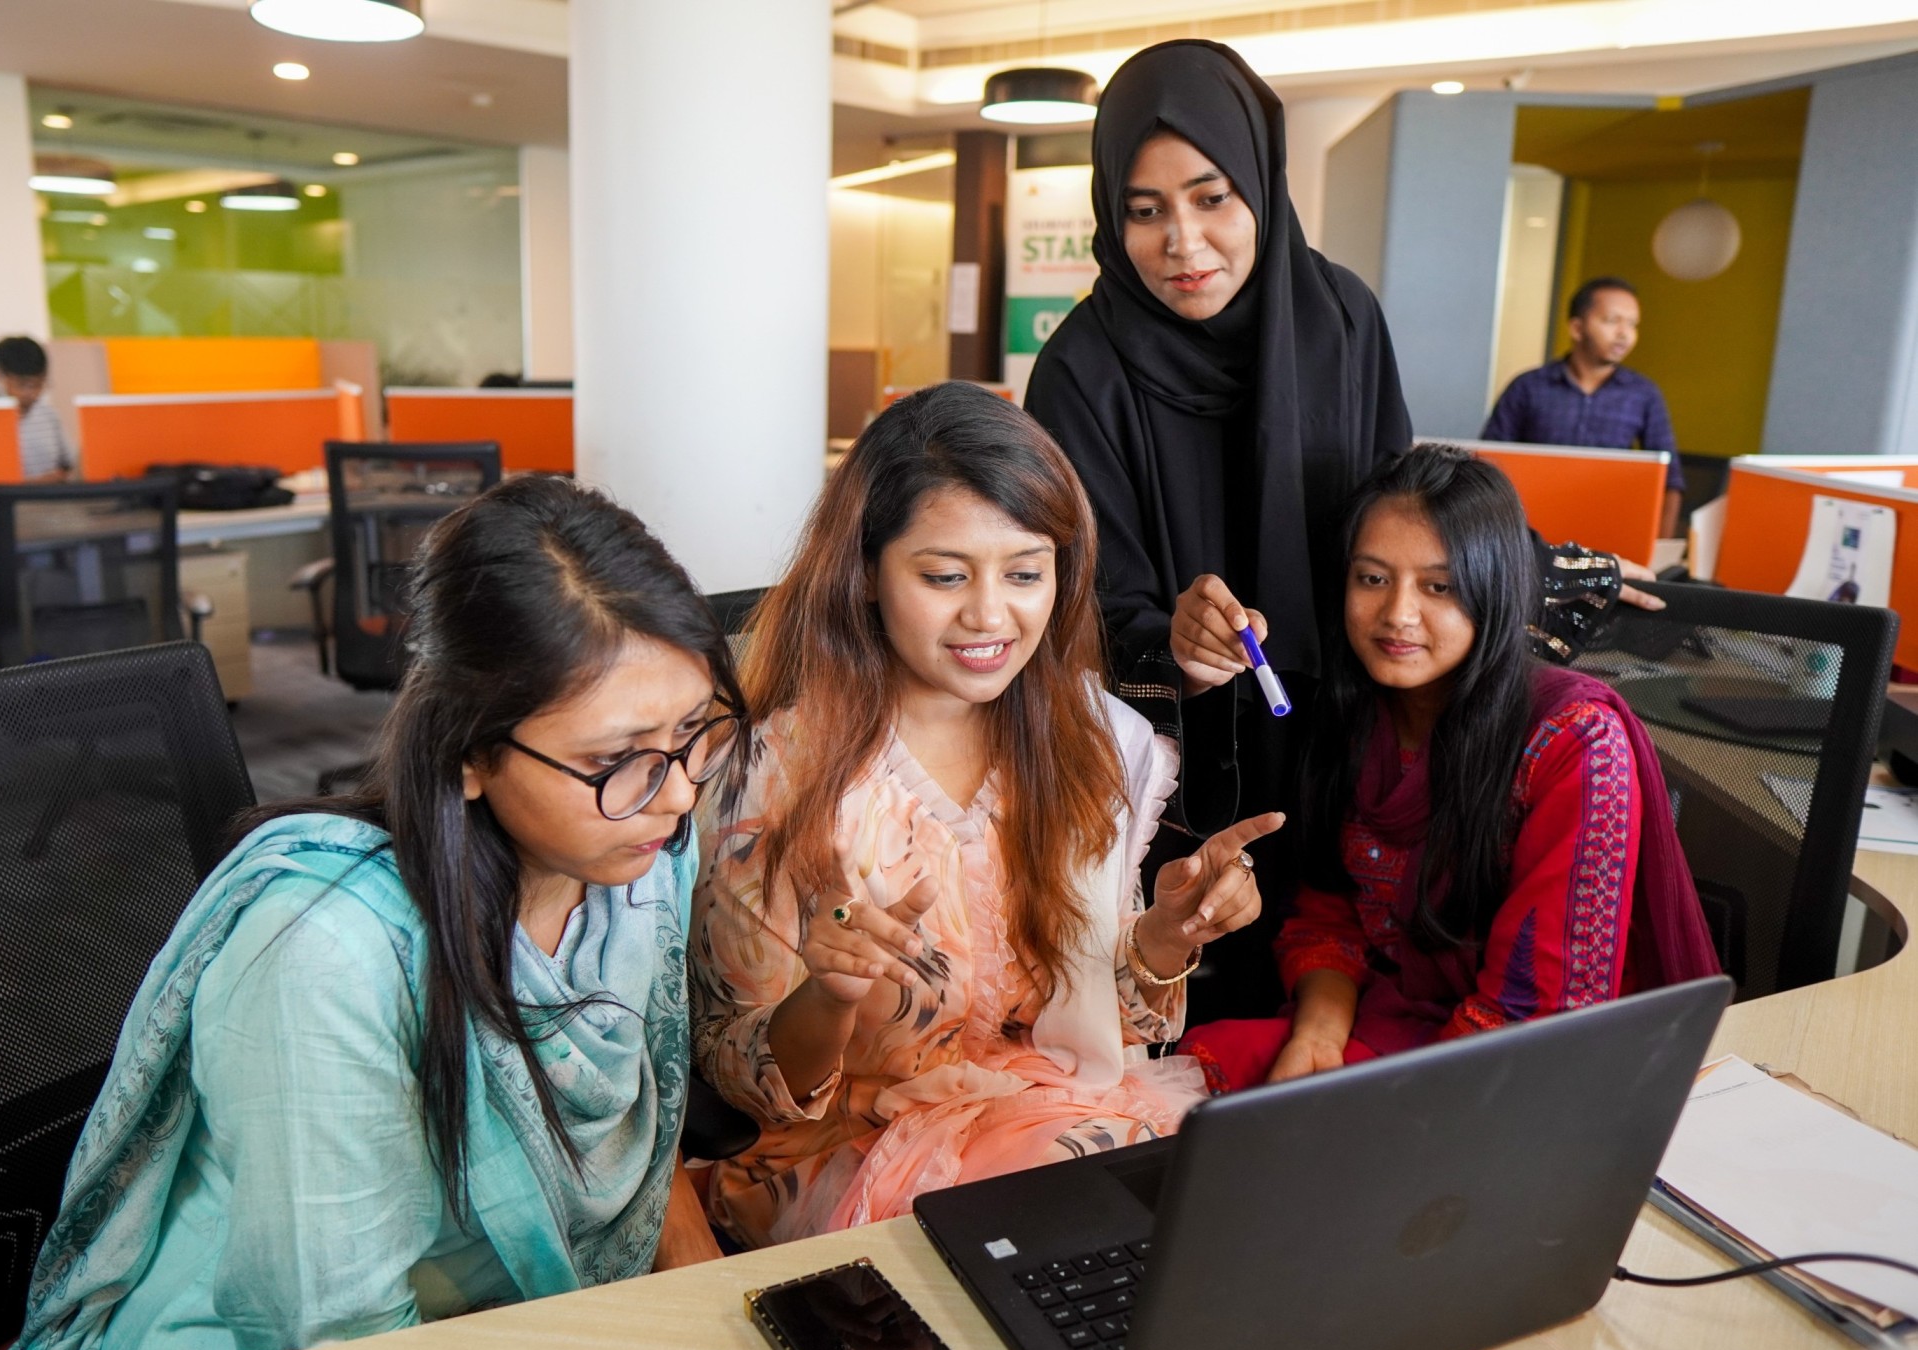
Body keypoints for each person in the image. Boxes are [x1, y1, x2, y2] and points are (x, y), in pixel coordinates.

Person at [8, 475, 734, 1350]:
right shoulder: (327, 953)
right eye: (616, 759)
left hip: (522, 1314)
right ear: (468, 750)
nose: (680, 792)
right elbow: (331, 1331)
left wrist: (711, 1316)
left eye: (697, 731)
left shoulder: (639, 853)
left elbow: (648, 1133)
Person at [1023, 39, 1654, 1019]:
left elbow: (1394, 502)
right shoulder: (1079, 374)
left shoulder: (1340, 322)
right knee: (1201, 1034)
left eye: (1211, 197)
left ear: (1261, 189)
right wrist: (1174, 646)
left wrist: (1529, 562)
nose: (1183, 243)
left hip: (1341, 750)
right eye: (1145, 212)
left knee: (1331, 999)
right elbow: (1075, 613)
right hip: (1172, 779)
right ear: (1112, 215)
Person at [690, 381, 1279, 1247]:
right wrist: (829, 993)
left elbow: (1092, 1024)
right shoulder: (774, 775)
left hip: (1052, 1110)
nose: (989, 614)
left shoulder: (1089, 742)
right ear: (864, 572)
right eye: (943, 575)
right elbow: (743, 1081)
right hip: (851, 1147)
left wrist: (1165, 936)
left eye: (1025, 573)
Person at [1177, 446, 1720, 1093]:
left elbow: (1539, 1009)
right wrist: (1317, 1037)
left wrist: (1370, 1112)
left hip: (1531, 1065)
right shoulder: (1358, 713)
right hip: (1400, 1019)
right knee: (1205, 1069)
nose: (1398, 615)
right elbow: (1330, 917)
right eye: (1372, 578)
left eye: (1440, 586)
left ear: (1494, 589)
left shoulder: (1575, 741)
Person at [1483, 277, 1683, 536]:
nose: (1625, 334)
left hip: (1610, 532)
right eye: (1612, 321)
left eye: (1633, 324)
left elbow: (1670, 480)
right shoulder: (1528, 387)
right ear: (1577, 328)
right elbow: (1488, 466)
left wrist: (1660, 549)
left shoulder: (1644, 394)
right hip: (1530, 532)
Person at [0, 335, 74, 482]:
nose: (33, 394)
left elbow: (69, 464)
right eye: (23, 385)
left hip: (50, 501)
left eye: (39, 384)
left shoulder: (48, 415)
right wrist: (33, 484)